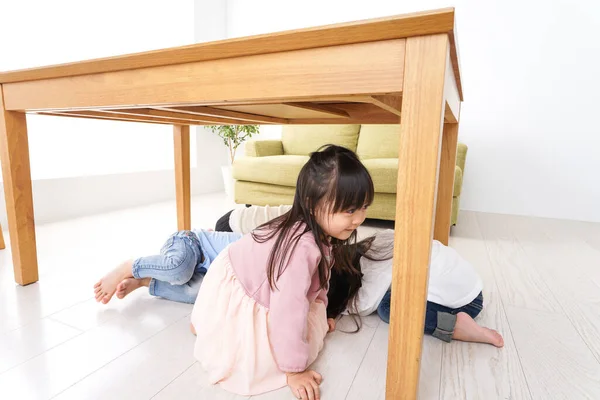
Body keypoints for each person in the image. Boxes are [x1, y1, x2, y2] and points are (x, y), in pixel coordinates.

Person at [190, 145, 374, 399]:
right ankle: (214, 324)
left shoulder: (310, 228)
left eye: (364, 207)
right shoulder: (301, 248)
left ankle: (209, 323)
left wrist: (321, 310)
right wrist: (294, 370)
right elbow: (288, 309)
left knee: (312, 316)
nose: (359, 219)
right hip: (239, 284)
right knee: (276, 346)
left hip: (236, 270)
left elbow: (318, 282)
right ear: (312, 204)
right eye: (350, 210)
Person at [216, 206, 504, 347]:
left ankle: (455, 326)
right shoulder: (372, 243)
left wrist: (331, 313)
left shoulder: (368, 286)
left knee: (389, 309)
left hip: (461, 302)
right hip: (468, 282)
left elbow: (356, 303)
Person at [93, 229, 242, 304]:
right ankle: (130, 267)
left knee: (199, 293)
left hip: (207, 272)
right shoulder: (258, 245)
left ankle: (144, 281)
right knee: (179, 270)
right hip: (192, 244)